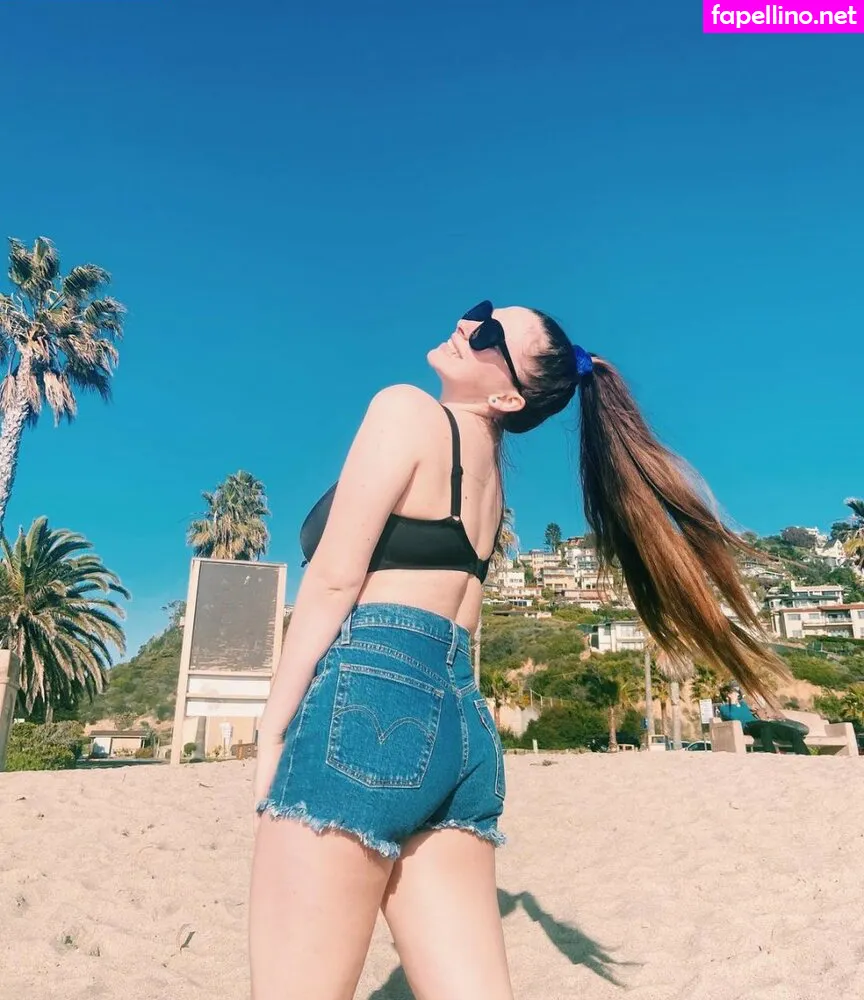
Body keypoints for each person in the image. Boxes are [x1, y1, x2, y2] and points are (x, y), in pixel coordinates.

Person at [249, 300, 788, 1000]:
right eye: (477, 312)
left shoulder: (405, 410)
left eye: (488, 332)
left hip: (369, 697)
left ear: (507, 397)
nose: (466, 325)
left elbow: (333, 581)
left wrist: (272, 728)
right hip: (460, 725)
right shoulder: (488, 479)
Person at [718, 685, 809, 754]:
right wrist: (732, 703)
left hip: (760, 723)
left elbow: (754, 710)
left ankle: (806, 756)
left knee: (793, 731)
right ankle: (771, 754)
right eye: (735, 693)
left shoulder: (743, 704)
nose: (738, 694)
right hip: (748, 727)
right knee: (765, 728)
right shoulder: (724, 707)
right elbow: (733, 717)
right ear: (728, 695)